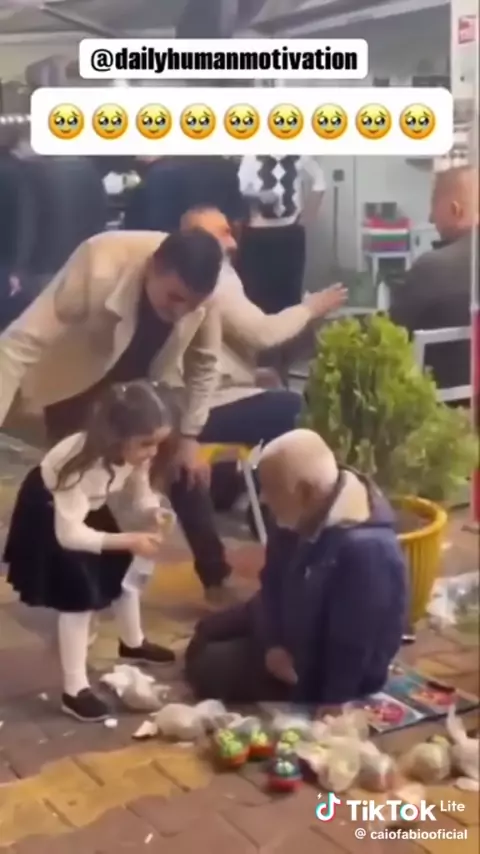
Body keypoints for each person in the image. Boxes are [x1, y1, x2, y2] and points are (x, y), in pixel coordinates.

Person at [0, 228, 235, 602]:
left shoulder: (207, 291)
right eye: (174, 297)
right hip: (76, 384)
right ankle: (71, 594)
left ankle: (217, 577)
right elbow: (19, 343)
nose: (180, 312)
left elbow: (204, 363)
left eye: (191, 305)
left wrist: (191, 435)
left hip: (143, 388)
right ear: (154, 266)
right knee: (76, 492)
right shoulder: (100, 262)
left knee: (183, 467)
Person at [186, 429, 407, 708]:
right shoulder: (297, 511)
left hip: (318, 665)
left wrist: (333, 702)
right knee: (203, 634)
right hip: (287, 624)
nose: (263, 499)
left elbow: (355, 644)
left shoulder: (367, 549)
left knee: (208, 666)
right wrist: (273, 644)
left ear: (305, 492)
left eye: (271, 489)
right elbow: (271, 583)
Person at [3, 381, 176, 722]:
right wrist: (130, 539)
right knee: (77, 598)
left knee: (122, 568)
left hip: (85, 507)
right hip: (52, 512)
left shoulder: (132, 450)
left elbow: (139, 487)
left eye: (158, 443)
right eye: (146, 443)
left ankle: (132, 641)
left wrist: (151, 509)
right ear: (116, 436)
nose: (153, 452)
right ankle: (74, 689)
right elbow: (70, 535)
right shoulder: (77, 462)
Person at [179, 205, 346, 449]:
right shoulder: (216, 280)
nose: (233, 242)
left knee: (285, 396)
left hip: (210, 398)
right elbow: (263, 334)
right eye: (224, 233)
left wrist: (253, 375)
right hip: (207, 406)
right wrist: (311, 307)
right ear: (200, 241)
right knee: (302, 411)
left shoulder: (211, 274)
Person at [390, 166, 478, 394]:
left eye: (434, 206)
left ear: (455, 210)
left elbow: (390, 338)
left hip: (445, 406)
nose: (430, 218)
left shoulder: (432, 268)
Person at [236, 155, 325, 314]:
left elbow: (320, 181)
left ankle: (288, 328)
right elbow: (238, 189)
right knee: (254, 294)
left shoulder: (299, 154)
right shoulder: (251, 156)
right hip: (257, 236)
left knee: (290, 294)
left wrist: (309, 214)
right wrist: (259, 195)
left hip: (290, 234)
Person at [124, 156, 245, 233]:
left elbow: (131, 231)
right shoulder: (224, 168)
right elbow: (237, 221)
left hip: (162, 252)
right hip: (213, 253)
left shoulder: (154, 175)